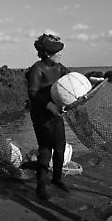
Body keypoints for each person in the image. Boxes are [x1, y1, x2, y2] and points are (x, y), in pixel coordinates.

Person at [26, 33, 72, 200]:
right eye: (57, 52)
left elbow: (72, 80)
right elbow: (33, 93)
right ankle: (41, 186)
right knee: (45, 148)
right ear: (47, 54)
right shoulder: (37, 69)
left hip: (56, 113)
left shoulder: (59, 67)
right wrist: (49, 105)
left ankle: (57, 179)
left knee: (60, 147)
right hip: (41, 114)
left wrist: (93, 81)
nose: (60, 55)